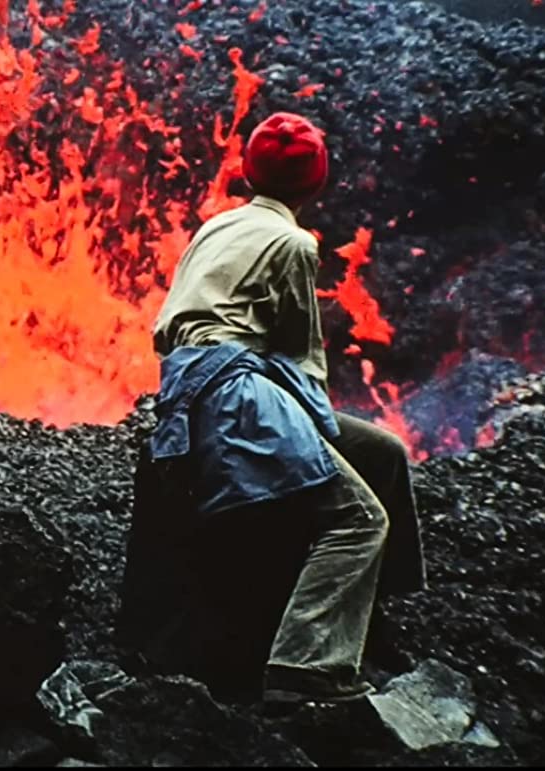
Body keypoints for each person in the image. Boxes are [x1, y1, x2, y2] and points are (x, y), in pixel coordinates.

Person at [144, 112, 427, 705]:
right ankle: (304, 667)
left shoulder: (216, 226)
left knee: (384, 451)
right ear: (315, 183)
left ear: (247, 171)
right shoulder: (295, 243)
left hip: (192, 386)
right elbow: (301, 353)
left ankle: (367, 612)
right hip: (241, 396)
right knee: (359, 519)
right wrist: (315, 429)